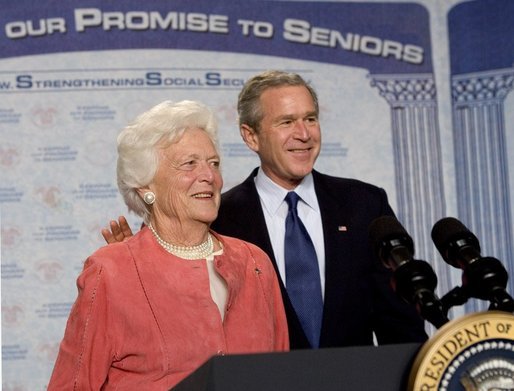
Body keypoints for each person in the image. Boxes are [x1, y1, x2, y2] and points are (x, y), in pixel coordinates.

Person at [103, 71, 428, 350]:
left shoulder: (364, 205)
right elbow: (182, 329)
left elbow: (400, 326)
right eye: (287, 122)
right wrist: (139, 274)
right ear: (250, 136)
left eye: (310, 119)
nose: (304, 134)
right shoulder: (217, 216)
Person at [49, 100, 289, 390]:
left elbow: (280, 377)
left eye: (213, 163)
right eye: (189, 164)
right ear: (145, 186)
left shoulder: (254, 263)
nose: (209, 176)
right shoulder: (110, 272)